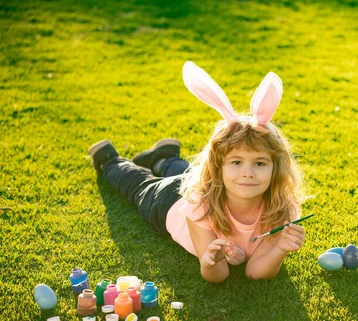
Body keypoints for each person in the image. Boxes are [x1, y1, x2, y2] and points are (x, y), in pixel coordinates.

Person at [88, 61, 306, 282]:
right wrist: (210, 260)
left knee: (186, 174)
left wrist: (280, 249)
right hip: (169, 203)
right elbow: (217, 275)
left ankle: (165, 158)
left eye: (259, 163)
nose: (248, 172)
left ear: (275, 168)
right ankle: (110, 160)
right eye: (236, 162)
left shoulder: (281, 209)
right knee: (139, 187)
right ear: (217, 167)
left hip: (199, 183)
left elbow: (254, 272)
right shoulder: (199, 204)